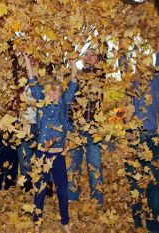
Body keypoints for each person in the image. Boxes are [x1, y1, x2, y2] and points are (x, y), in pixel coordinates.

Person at [21, 52, 78, 233]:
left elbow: (74, 82)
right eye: (50, 91)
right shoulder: (41, 102)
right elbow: (32, 79)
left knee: (62, 190)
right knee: (40, 190)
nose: (53, 93)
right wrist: (27, 60)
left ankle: (65, 221)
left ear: (60, 93)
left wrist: (73, 64)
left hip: (58, 154)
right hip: (42, 154)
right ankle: (37, 222)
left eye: (56, 90)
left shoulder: (64, 102)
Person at [123, 35, 159, 233]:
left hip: (151, 139)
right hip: (132, 138)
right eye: (139, 65)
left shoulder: (156, 82)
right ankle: (139, 226)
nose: (142, 69)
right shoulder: (130, 85)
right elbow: (123, 65)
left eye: (145, 65)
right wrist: (122, 44)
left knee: (154, 186)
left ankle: (155, 228)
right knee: (135, 186)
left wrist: (157, 46)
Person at [67, 48, 105, 207]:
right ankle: (72, 199)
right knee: (73, 165)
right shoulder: (78, 74)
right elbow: (70, 93)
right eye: (86, 54)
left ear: (98, 58)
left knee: (94, 165)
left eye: (92, 55)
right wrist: (73, 64)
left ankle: (97, 202)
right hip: (76, 127)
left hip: (94, 129)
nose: (88, 57)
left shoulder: (101, 74)